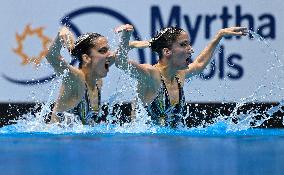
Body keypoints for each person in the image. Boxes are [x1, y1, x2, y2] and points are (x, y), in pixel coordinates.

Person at [115, 24, 248, 127]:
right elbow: (120, 62)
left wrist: (219, 35)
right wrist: (125, 38)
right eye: (184, 45)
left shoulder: (179, 75)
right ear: (167, 52)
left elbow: (199, 64)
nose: (191, 49)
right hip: (145, 146)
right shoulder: (151, 75)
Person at [46, 25, 136, 125]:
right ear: (86, 58)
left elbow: (118, 56)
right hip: (60, 139)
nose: (109, 55)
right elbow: (52, 57)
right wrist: (61, 34)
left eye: (108, 50)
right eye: (102, 51)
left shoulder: (96, 80)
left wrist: (126, 36)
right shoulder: (75, 79)